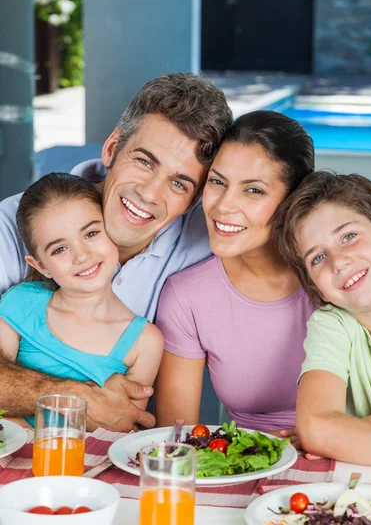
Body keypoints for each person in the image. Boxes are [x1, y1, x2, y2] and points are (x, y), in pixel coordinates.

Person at [0, 72, 233, 431]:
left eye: (179, 183)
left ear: (193, 201)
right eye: (144, 161)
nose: (151, 194)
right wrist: (78, 400)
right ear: (111, 148)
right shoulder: (10, 225)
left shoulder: (207, 244)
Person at [155, 110, 315, 442]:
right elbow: (175, 439)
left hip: (355, 461)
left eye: (253, 190)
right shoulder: (188, 296)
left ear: (294, 199)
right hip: (247, 466)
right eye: (217, 182)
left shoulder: (333, 277)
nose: (224, 206)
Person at [0, 172, 163, 427]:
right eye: (60, 249)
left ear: (111, 230)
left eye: (91, 233)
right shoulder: (19, 304)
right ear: (41, 265)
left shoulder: (145, 341)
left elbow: (121, 426)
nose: (82, 255)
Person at [272, 171, 371, 467]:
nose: (338, 261)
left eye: (349, 236)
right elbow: (316, 429)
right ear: (317, 287)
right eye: (317, 258)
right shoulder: (331, 324)